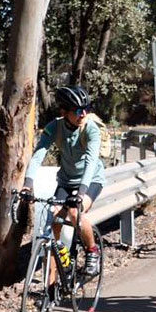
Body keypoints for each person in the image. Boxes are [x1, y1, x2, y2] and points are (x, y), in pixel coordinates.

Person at [22, 86, 105, 277]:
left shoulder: (91, 129)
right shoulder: (55, 127)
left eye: (87, 108)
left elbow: (91, 162)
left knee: (75, 212)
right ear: (64, 112)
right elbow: (37, 156)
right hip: (67, 181)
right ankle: (63, 263)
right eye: (77, 110)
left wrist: (81, 193)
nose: (83, 114)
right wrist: (28, 184)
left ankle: (93, 251)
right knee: (55, 219)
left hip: (91, 180)